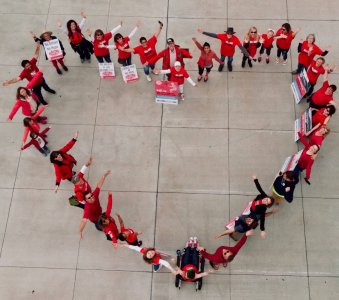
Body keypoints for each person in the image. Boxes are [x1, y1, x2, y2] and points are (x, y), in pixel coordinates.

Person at [79, 170, 111, 238]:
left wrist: (104, 176)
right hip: (95, 219)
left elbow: (98, 186)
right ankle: (101, 229)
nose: (91, 198)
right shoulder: (87, 208)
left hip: (100, 213)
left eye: (91, 196)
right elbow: (84, 221)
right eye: (89, 198)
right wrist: (80, 231)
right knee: (99, 225)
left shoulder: (95, 195)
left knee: (104, 218)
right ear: (86, 200)